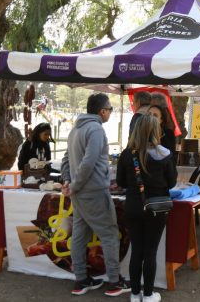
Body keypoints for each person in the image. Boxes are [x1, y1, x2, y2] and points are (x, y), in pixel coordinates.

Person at [61, 93, 130, 296]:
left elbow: (67, 159)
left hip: (80, 192)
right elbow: (88, 163)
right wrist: (73, 184)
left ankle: (81, 280)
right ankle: (115, 281)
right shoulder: (96, 129)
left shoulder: (76, 129)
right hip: (93, 192)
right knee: (109, 235)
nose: (110, 112)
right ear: (102, 111)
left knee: (80, 235)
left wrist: (68, 181)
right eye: (110, 109)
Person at [117, 114, 177, 302]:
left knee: (137, 250)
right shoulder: (165, 154)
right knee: (150, 251)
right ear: (156, 132)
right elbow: (172, 183)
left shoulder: (127, 154)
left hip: (133, 206)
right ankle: (149, 294)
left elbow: (120, 182)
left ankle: (135, 294)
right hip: (156, 209)